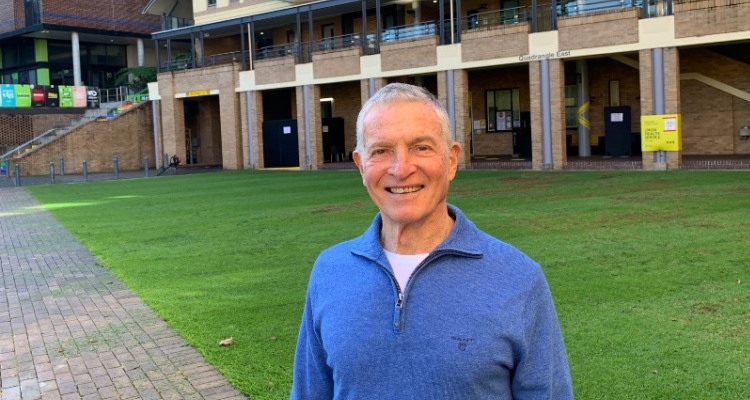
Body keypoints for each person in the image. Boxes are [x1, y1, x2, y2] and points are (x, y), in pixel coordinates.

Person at [290, 83, 573, 399]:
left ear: (452, 160)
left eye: (421, 147)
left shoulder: (519, 278)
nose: (401, 169)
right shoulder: (329, 272)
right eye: (381, 151)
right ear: (360, 165)